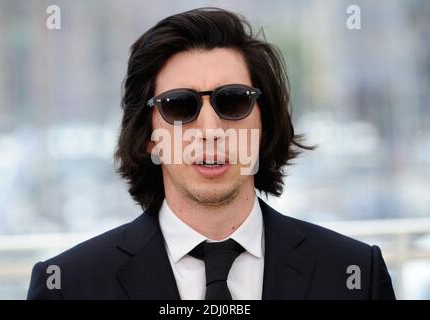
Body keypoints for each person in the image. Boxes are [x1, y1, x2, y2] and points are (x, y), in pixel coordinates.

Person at [27, 7, 395, 300]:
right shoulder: (68, 286)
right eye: (178, 106)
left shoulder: (356, 276)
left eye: (233, 101)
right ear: (148, 137)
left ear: (264, 124)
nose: (210, 130)